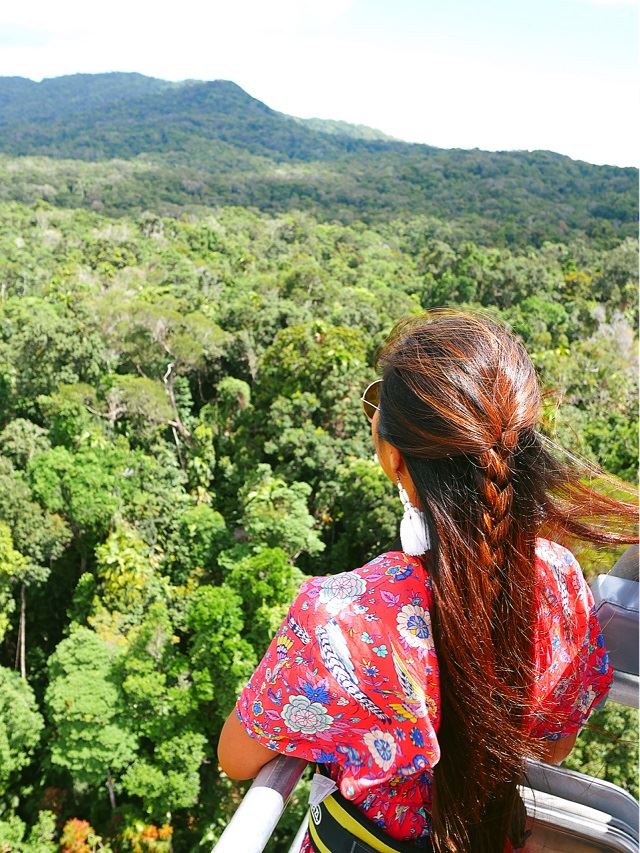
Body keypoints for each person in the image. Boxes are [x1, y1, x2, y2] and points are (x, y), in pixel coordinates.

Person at [218, 310, 638, 853]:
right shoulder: (559, 581)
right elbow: (554, 747)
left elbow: (237, 756)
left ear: (394, 458)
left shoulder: (345, 621)